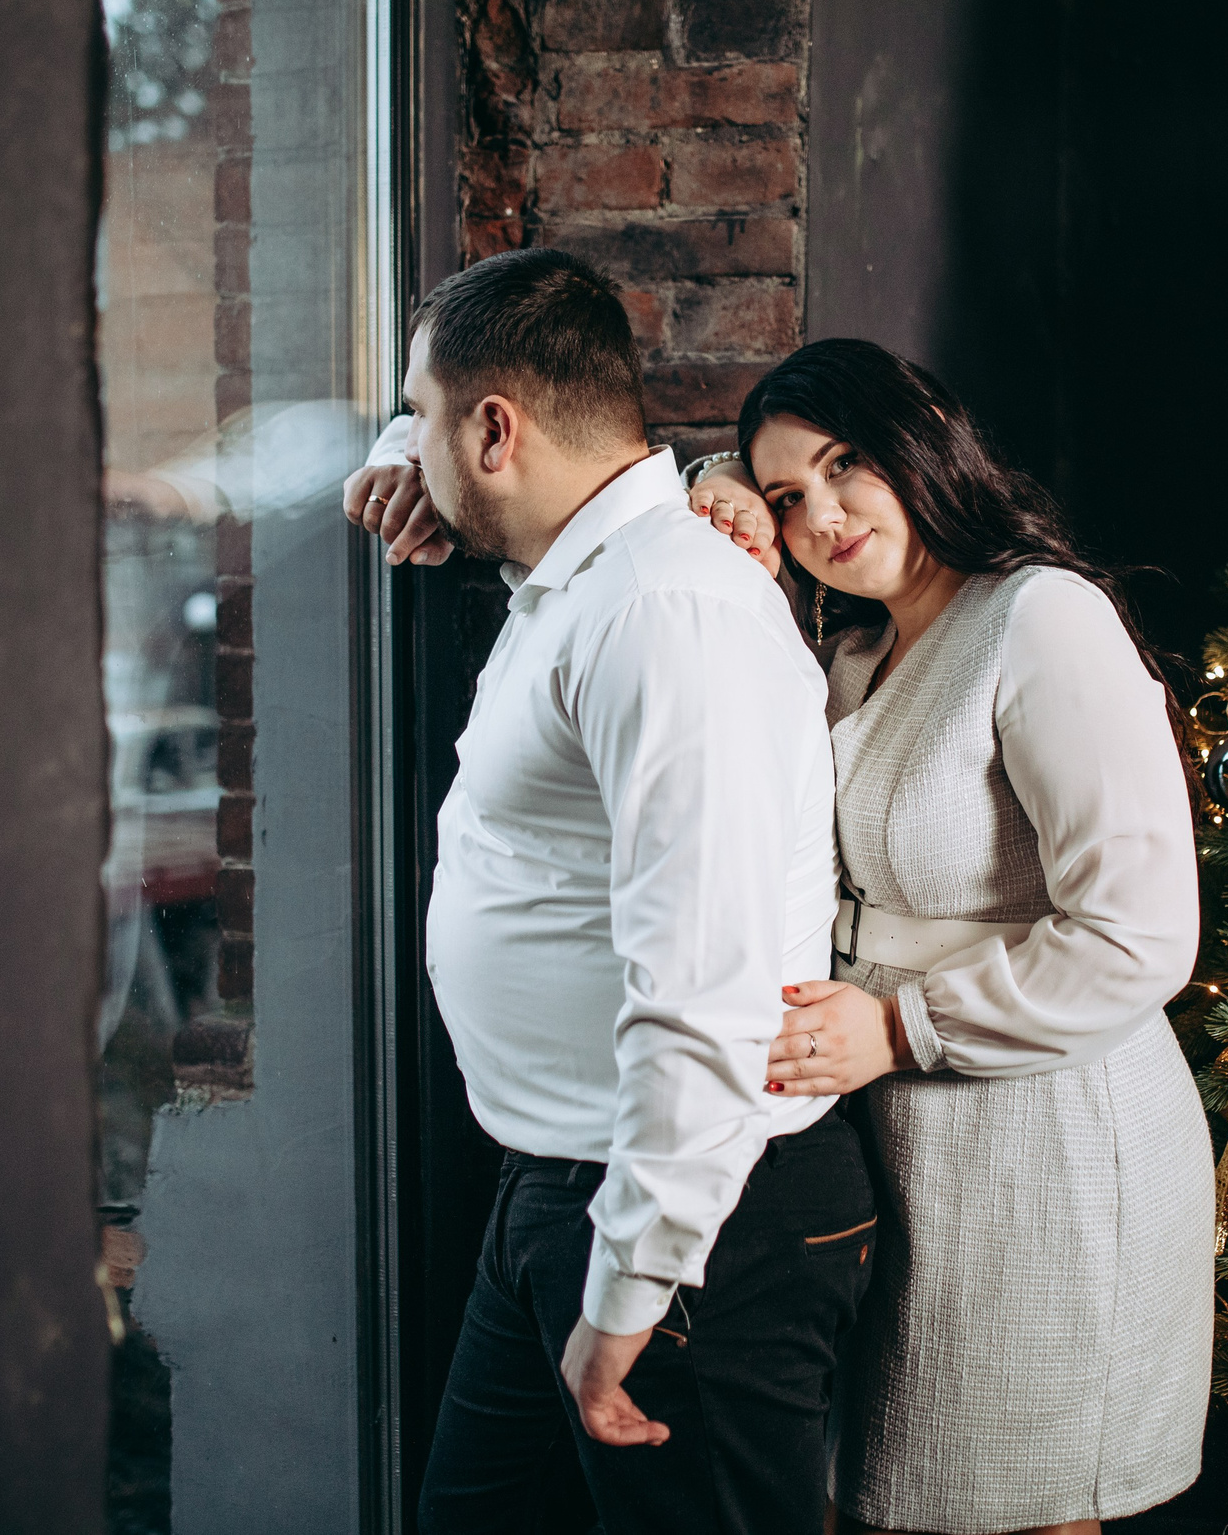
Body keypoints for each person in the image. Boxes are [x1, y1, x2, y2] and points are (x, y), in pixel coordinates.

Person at [343, 250, 874, 1535]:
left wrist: (630, 1288)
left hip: (692, 1225)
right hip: (563, 1185)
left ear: (492, 429)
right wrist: (400, 452)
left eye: (417, 416)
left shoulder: (666, 613)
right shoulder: (587, 578)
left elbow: (708, 986)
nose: (403, 446)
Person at [686, 340, 1216, 1535]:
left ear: (919, 442)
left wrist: (896, 1024)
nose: (821, 514)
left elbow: (1140, 936)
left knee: (1021, 1509)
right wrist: (712, 483)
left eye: (846, 464)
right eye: (786, 497)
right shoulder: (856, 652)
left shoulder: (1038, 618)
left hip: (1050, 1142)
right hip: (906, 1150)